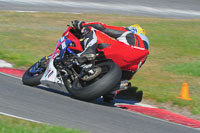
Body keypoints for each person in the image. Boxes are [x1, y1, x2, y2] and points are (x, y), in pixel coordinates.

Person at [72, 20, 149, 102]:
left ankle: (88, 53)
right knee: (123, 75)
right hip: (129, 71)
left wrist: (82, 24)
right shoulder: (145, 52)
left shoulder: (129, 33)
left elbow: (102, 27)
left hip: (122, 52)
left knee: (92, 30)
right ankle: (111, 92)